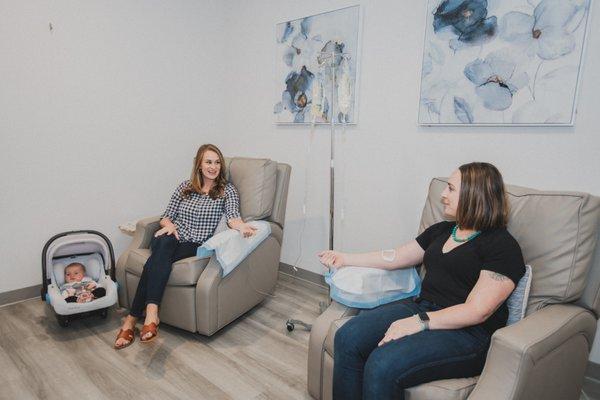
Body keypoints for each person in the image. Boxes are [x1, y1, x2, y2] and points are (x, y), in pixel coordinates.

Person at [318, 162, 525, 400]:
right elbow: (396, 256)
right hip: (422, 305)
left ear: (474, 195)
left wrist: (419, 322)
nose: (443, 195)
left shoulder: (501, 245)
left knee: (383, 363)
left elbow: (477, 311)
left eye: (450, 188)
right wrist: (345, 258)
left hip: (468, 333)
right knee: (348, 336)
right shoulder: (443, 231)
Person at [114, 144, 256, 349]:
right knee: (163, 243)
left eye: (217, 162)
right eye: (208, 162)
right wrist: (169, 226)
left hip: (192, 244)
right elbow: (166, 217)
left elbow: (233, 217)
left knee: (155, 261)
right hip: (171, 237)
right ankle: (151, 315)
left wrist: (242, 227)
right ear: (199, 164)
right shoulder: (185, 187)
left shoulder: (227, 191)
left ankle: (131, 319)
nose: (213, 167)